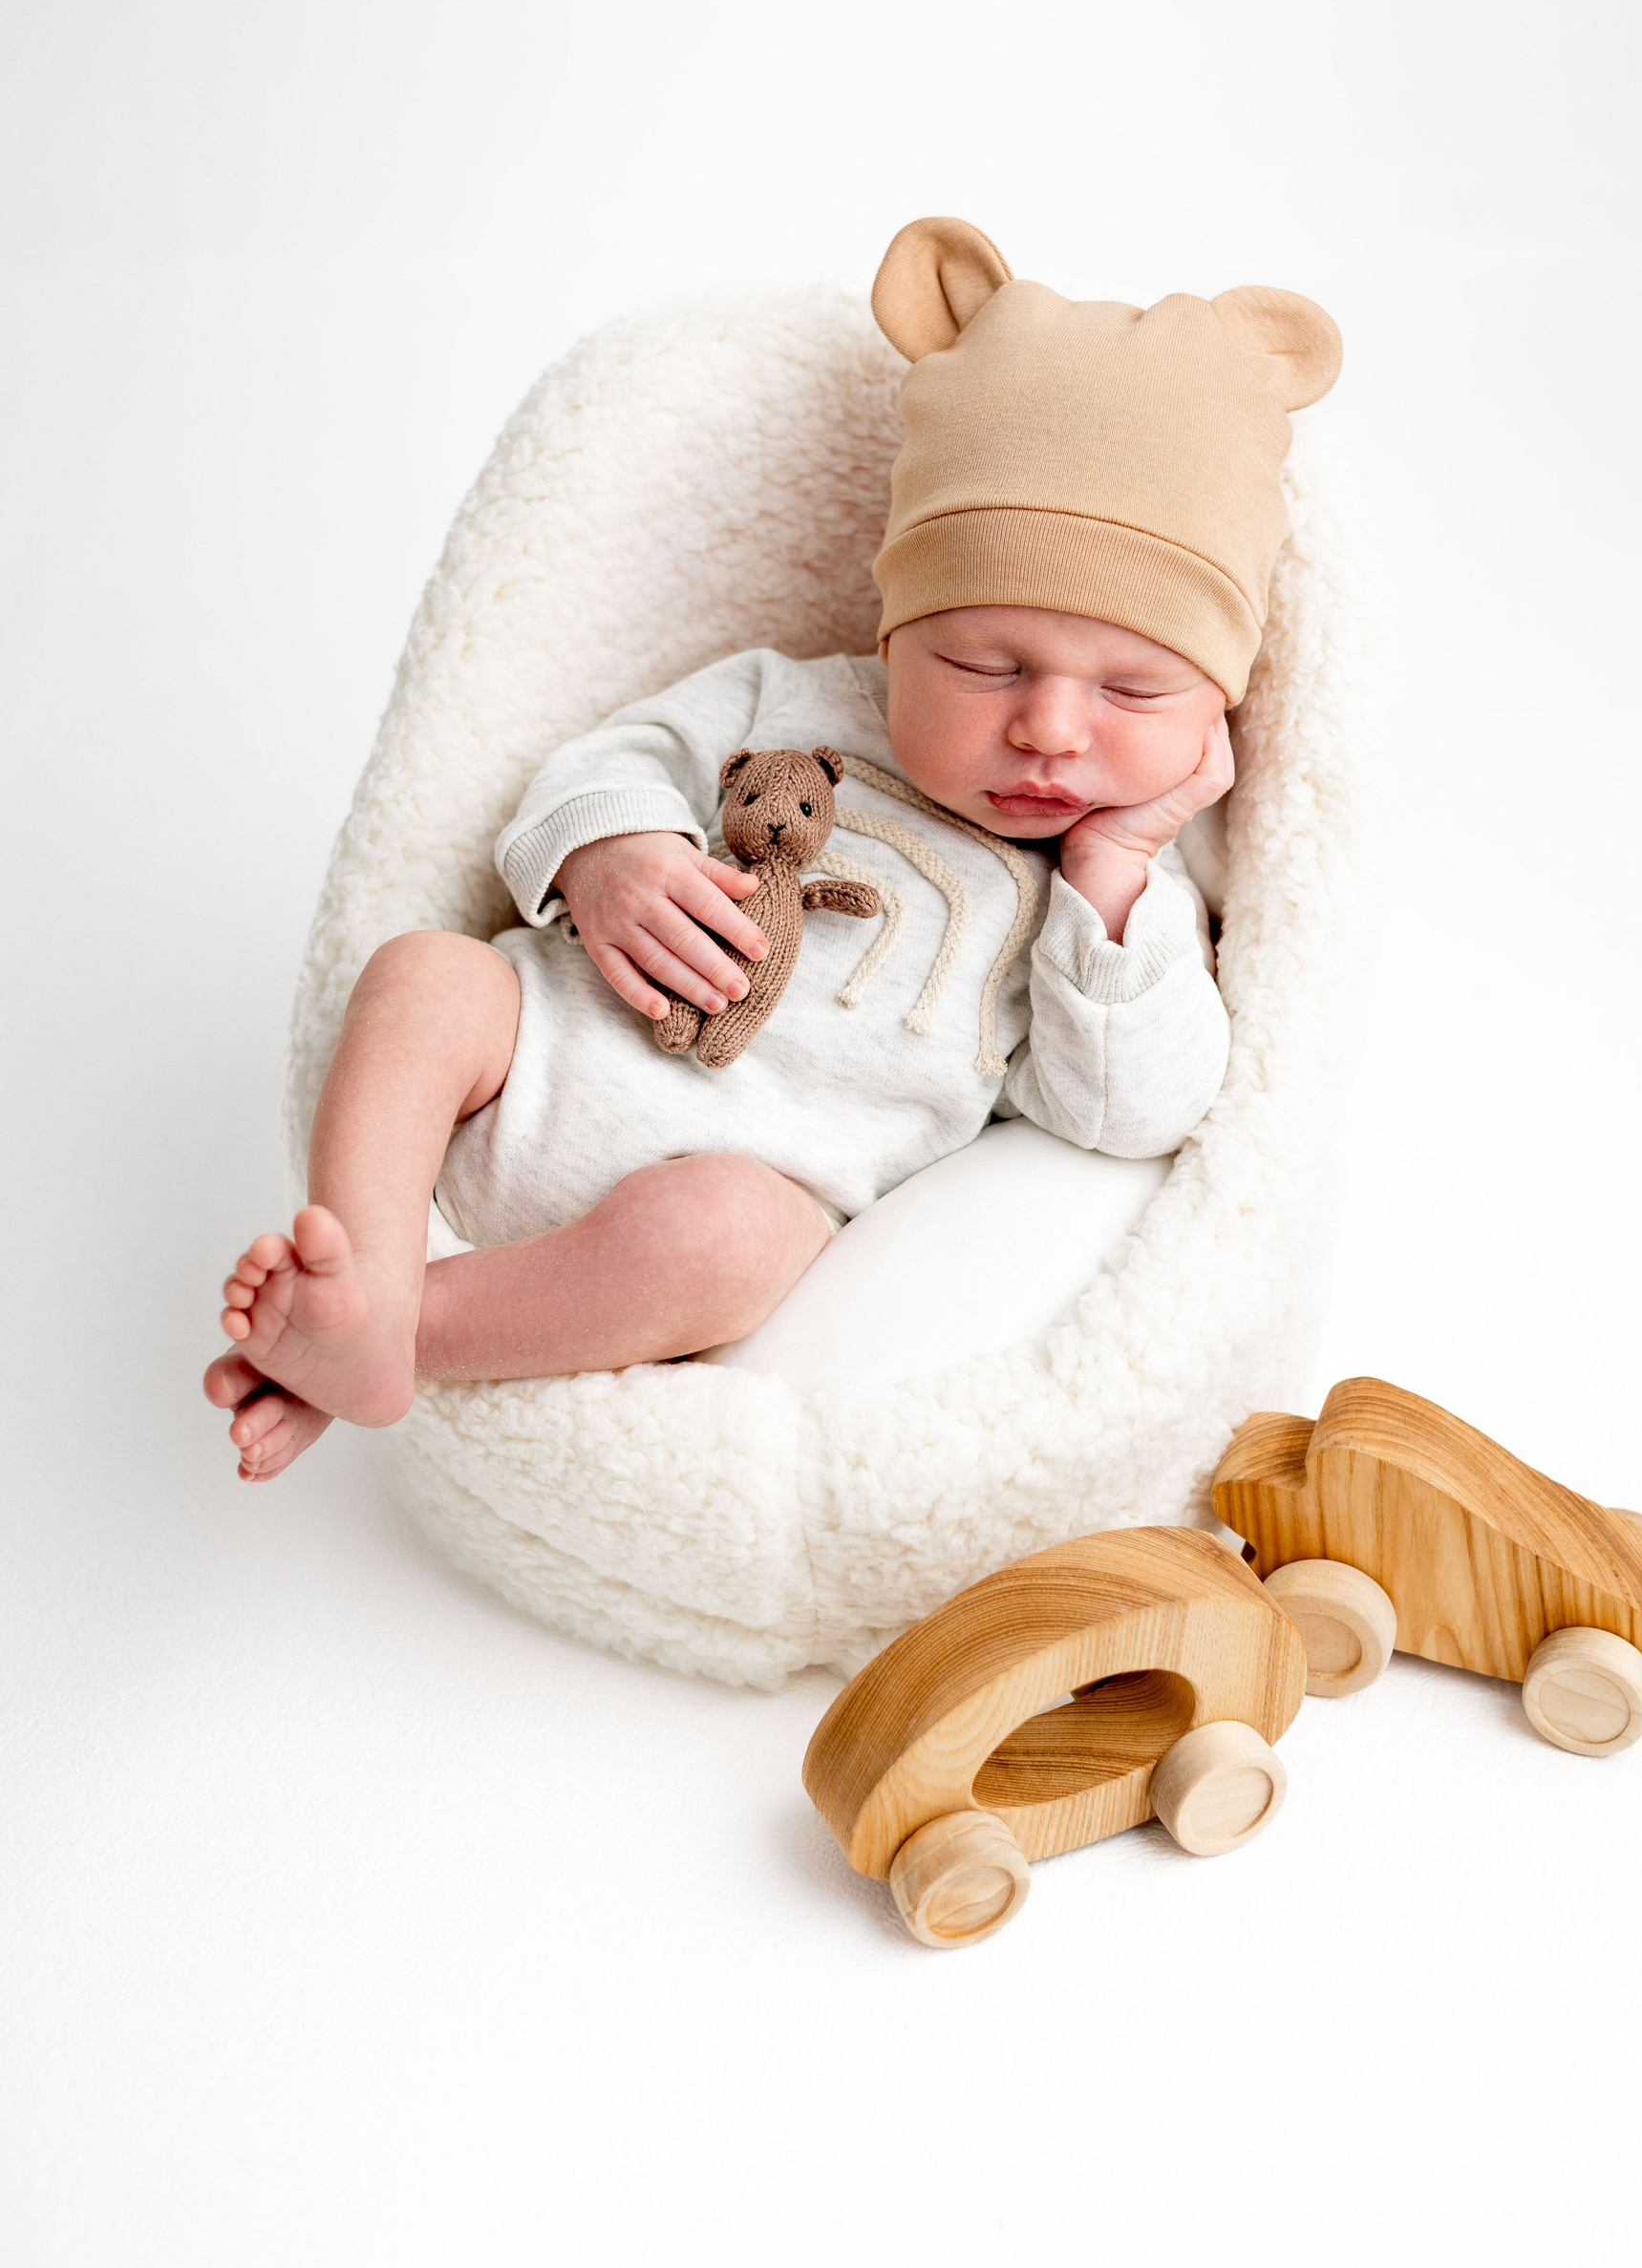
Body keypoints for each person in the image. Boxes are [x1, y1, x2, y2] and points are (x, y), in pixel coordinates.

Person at [204, 217, 1340, 1479]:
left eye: (1133, 693)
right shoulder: (788, 700)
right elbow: (600, 764)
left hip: (729, 1186)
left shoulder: (1119, 908)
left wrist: (1115, 869)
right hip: (536, 1055)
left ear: (1213, 715)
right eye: (985, 664)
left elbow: (1126, 1116)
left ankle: (397, 1337)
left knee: (733, 1245)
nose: (1051, 730)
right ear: (898, 632)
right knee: (424, 977)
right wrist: (610, 854)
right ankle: (361, 1268)